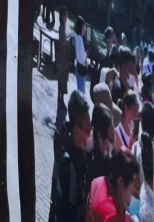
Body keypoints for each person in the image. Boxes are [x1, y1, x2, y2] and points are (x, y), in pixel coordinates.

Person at [51, 91, 92, 222]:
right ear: (76, 130)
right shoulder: (67, 162)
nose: (90, 135)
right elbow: (68, 210)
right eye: (88, 130)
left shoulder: (79, 151)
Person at [87, 147, 141, 222]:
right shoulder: (111, 216)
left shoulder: (99, 182)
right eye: (134, 187)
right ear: (121, 182)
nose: (136, 194)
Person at [74, 16, 90, 96]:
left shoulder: (77, 37)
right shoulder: (79, 39)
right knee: (82, 93)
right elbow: (81, 57)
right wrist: (86, 55)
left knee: (80, 90)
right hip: (81, 68)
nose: (84, 30)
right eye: (83, 28)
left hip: (78, 67)